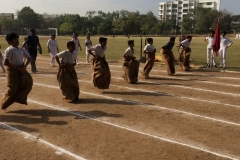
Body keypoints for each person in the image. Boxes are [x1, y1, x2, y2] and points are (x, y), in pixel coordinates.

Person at [1, 33, 33, 110]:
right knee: (13, 88)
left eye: (17, 39)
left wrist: (24, 67)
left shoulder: (21, 49)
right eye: (15, 39)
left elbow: (29, 58)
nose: (17, 41)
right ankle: (3, 103)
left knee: (29, 82)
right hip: (12, 70)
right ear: (10, 41)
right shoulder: (9, 50)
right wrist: (16, 68)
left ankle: (19, 98)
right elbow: (6, 62)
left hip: (21, 69)